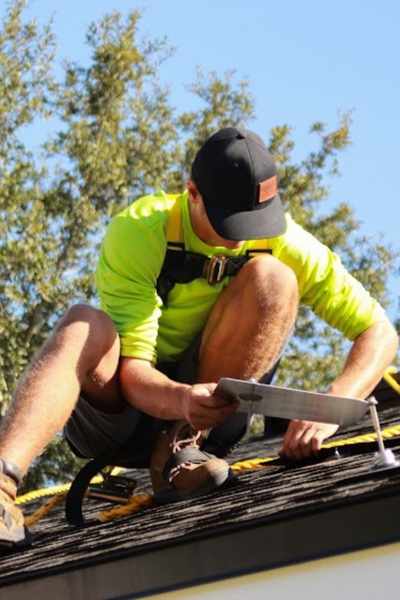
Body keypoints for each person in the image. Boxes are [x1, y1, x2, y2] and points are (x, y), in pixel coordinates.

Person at [0, 127, 397, 548]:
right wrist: (183, 400)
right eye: (229, 222)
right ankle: (4, 486)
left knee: (274, 280)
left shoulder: (283, 241)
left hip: (206, 423)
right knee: (84, 323)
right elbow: (133, 370)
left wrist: (333, 405)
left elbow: (379, 332)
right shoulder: (142, 231)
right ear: (192, 192)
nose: (242, 236)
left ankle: (179, 454)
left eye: (254, 220)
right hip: (122, 413)